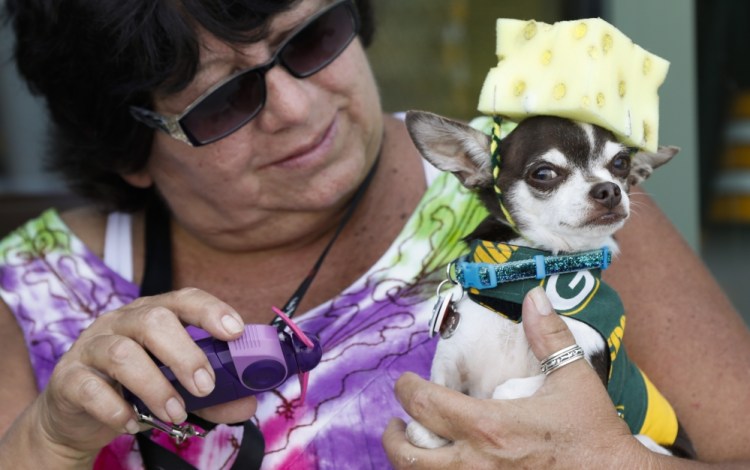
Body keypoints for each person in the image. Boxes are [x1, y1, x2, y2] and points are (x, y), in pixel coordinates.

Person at [0, 0, 748, 469]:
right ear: (126, 150)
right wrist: (51, 442)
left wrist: (614, 464)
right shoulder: (34, 295)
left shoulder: (543, 196)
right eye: (224, 101)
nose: (294, 107)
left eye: (311, 38)